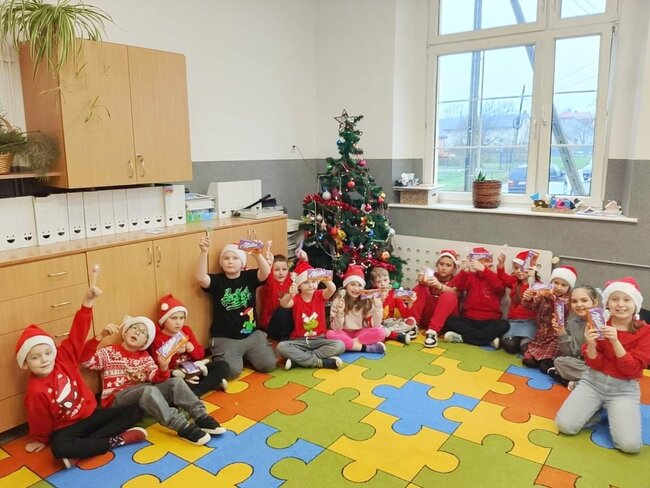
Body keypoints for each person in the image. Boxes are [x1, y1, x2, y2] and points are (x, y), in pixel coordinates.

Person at [17, 286, 146, 469]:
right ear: (25, 364)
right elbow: (39, 419)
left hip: (90, 414)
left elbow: (78, 333)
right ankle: (117, 440)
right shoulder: (35, 390)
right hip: (66, 428)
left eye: (47, 353)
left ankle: (80, 450)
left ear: (54, 351)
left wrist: (88, 302)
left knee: (134, 411)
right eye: (35, 357)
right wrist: (41, 439)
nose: (44, 359)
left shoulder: (63, 358)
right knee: (59, 448)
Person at [82, 316, 224, 446]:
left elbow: (156, 378)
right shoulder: (110, 351)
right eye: (134, 328)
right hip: (118, 397)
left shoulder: (144, 356)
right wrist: (100, 336)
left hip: (141, 394)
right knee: (148, 390)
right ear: (125, 332)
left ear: (145, 342)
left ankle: (201, 416)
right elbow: (86, 360)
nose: (137, 332)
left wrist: (163, 367)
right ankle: (182, 426)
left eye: (143, 333)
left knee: (175, 382)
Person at [555, 277, 650, 454]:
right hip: (593, 383)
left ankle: (609, 410)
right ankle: (597, 410)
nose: (620, 304)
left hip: (623, 390)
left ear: (635, 304)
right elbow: (594, 363)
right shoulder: (599, 324)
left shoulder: (645, 332)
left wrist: (615, 341)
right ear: (607, 304)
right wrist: (590, 344)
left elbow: (631, 369)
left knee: (630, 446)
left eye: (626, 300)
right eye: (614, 299)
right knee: (565, 426)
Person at [196, 237, 276, 379]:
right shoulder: (218, 281)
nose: (230, 261)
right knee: (231, 372)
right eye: (226, 258)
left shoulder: (248, 277)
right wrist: (203, 252)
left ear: (242, 263)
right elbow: (201, 278)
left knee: (269, 364)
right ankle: (238, 356)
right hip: (226, 338)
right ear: (221, 262)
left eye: (235, 258)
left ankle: (245, 355)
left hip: (251, 334)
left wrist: (257, 255)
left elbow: (265, 272)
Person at [151, 293, 230, 397]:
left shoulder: (186, 330)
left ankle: (196, 392)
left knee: (223, 365)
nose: (178, 322)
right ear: (164, 320)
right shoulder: (158, 339)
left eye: (181, 318)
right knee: (175, 382)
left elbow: (200, 355)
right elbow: (160, 368)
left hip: (194, 368)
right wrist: (174, 352)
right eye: (173, 318)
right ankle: (210, 384)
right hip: (177, 374)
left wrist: (191, 349)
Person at [276, 260, 345, 369]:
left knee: (340, 345)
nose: (310, 285)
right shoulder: (296, 298)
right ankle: (320, 362)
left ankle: (299, 360)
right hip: (299, 341)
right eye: (306, 282)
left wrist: (323, 276)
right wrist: (290, 295)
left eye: (313, 282)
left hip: (319, 339)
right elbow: (284, 304)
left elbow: (332, 289)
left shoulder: (319, 295)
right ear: (299, 286)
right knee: (281, 347)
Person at [438, 247, 509, 347]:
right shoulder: (471, 276)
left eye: (488, 264)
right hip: (469, 319)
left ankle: (462, 338)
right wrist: (464, 272)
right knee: (449, 320)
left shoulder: (494, 277)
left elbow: (500, 288)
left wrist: (485, 271)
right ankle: (487, 339)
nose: (484, 266)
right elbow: (457, 286)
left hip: (490, 321)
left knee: (504, 324)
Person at [521, 266, 576, 373]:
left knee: (545, 366)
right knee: (528, 362)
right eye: (556, 283)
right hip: (540, 335)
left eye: (563, 285)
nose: (558, 287)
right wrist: (528, 298)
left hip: (555, 337)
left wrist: (549, 295)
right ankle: (535, 355)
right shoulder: (544, 293)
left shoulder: (568, 300)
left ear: (569, 288)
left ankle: (549, 362)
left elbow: (561, 306)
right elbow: (531, 306)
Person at [547, 285, 599, 389]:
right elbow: (572, 354)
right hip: (584, 365)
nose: (579, 305)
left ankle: (576, 384)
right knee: (560, 362)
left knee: (608, 374)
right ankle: (596, 383)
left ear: (595, 302)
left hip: (603, 366)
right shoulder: (573, 323)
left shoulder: (603, 320)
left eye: (584, 300)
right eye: (574, 301)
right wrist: (562, 333)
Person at [326, 264, 386, 354]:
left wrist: (378, 305)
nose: (356, 289)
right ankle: (364, 348)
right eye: (352, 284)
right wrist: (339, 313)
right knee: (330, 334)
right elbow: (336, 328)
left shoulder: (366, 300)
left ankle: (350, 345)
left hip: (359, 334)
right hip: (343, 332)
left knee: (380, 332)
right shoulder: (339, 300)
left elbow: (375, 325)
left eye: (359, 285)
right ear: (346, 285)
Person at [410, 249, 460, 348]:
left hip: (445, 321)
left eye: (448, 265)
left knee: (449, 295)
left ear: (454, 268)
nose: (444, 268)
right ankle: (412, 324)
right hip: (427, 316)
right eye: (441, 264)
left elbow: (456, 293)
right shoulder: (431, 276)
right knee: (420, 288)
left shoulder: (457, 279)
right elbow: (417, 295)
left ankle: (432, 332)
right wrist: (422, 281)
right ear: (437, 265)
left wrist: (439, 286)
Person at [496, 250, 541, 354]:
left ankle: (524, 341)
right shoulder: (514, 281)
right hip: (514, 321)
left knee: (525, 348)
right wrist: (501, 264)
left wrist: (532, 278)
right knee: (510, 346)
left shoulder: (538, 285)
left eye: (523, 268)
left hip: (530, 322)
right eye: (516, 268)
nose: (519, 271)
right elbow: (502, 277)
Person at [370, 266, 416, 345]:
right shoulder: (372, 294)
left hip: (388, 323)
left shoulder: (395, 293)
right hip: (375, 323)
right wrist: (380, 300)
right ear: (374, 283)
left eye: (385, 280)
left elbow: (405, 315)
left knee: (412, 321)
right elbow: (370, 317)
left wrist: (410, 303)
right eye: (378, 282)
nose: (383, 284)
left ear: (389, 280)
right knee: (371, 327)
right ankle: (391, 334)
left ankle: (386, 332)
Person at [258, 253, 294, 341]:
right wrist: (269, 265)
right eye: (276, 270)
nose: (281, 273)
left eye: (284, 269)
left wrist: (304, 261)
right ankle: (285, 340)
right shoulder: (270, 285)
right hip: (271, 325)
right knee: (283, 309)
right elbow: (268, 277)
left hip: (287, 324)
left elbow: (303, 275)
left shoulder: (290, 282)